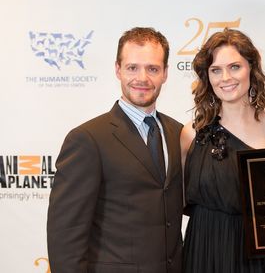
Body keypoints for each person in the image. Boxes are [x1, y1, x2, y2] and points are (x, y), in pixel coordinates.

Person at [47, 27, 183, 273]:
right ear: (118, 69)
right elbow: (66, 233)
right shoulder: (87, 139)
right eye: (132, 67)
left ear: (165, 73)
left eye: (152, 68)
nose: (142, 78)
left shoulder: (177, 133)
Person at [180, 28, 265, 273]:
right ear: (207, 77)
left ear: (251, 68)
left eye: (234, 67)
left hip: (264, 256)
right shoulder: (191, 134)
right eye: (215, 70)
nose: (225, 78)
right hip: (206, 250)